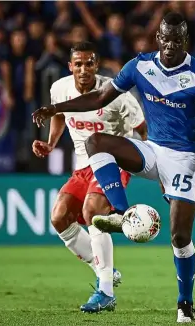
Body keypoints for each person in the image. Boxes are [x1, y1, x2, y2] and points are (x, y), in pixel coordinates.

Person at [32, 13, 195, 323]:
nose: (170, 46)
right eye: (165, 39)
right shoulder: (140, 66)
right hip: (153, 150)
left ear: (186, 42)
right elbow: (100, 97)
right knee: (97, 142)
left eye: (177, 41)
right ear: (158, 38)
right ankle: (122, 213)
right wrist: (55, 108)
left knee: (180, 237)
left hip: (187, 158)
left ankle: (185, 303)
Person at [32, 41, 146, 313]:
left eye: (89, 63)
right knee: (59, 217)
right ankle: (104, 269)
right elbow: (59, 114)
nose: (83, 69)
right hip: (83, 166)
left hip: (113, 163)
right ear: (70, 66)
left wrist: (147, 164)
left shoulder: (117, 94)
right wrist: (50, 143)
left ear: (97, 65)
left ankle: (105, 291)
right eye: (78, 64)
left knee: (93, 210)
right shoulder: (60, 88)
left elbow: (143, 129)